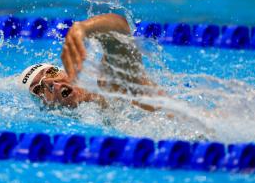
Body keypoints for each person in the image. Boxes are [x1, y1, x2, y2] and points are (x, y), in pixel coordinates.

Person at [18, 13, 163, 111]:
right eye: (38, 89)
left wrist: (84, 28)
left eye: (50, 72)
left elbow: (119, 31)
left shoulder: (109, 84)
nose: (50, 82)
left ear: (64, 70)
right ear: (43, 105)